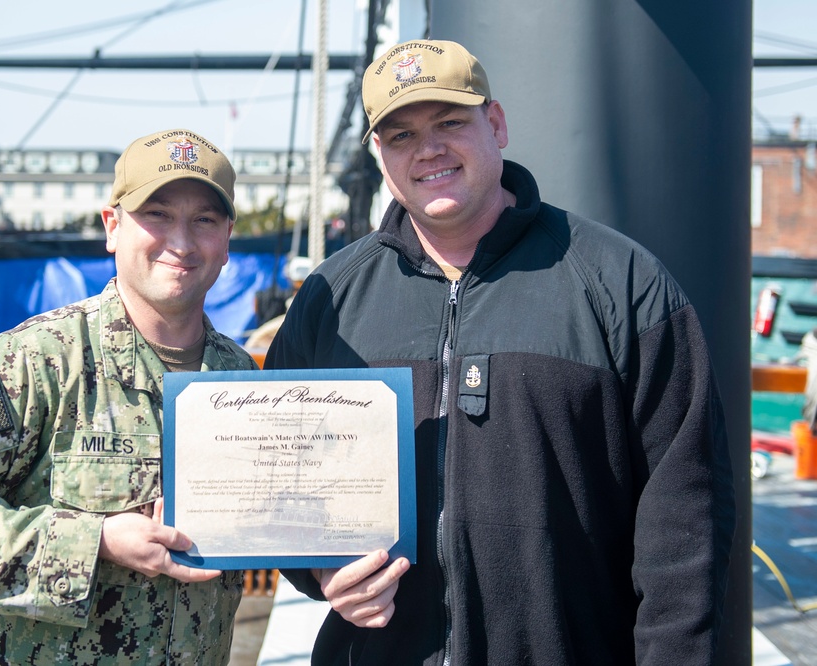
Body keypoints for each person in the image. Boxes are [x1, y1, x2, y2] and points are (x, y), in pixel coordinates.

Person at [266, 39, 736, 665]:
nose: (428, 150)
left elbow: (686, 508)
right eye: (402, 135)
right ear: (380, 154)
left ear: (496, 124)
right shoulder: (331, 297)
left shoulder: (620, 281)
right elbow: (280, 476)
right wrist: (319, 571)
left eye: (449, 123)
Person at [0, 128, 257, 665]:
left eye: (204, 220)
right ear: (112, 226)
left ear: (227, 238)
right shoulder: (29, 363)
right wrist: (94, 542)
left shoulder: (240, 378)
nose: (182, 243)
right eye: (157, 214)